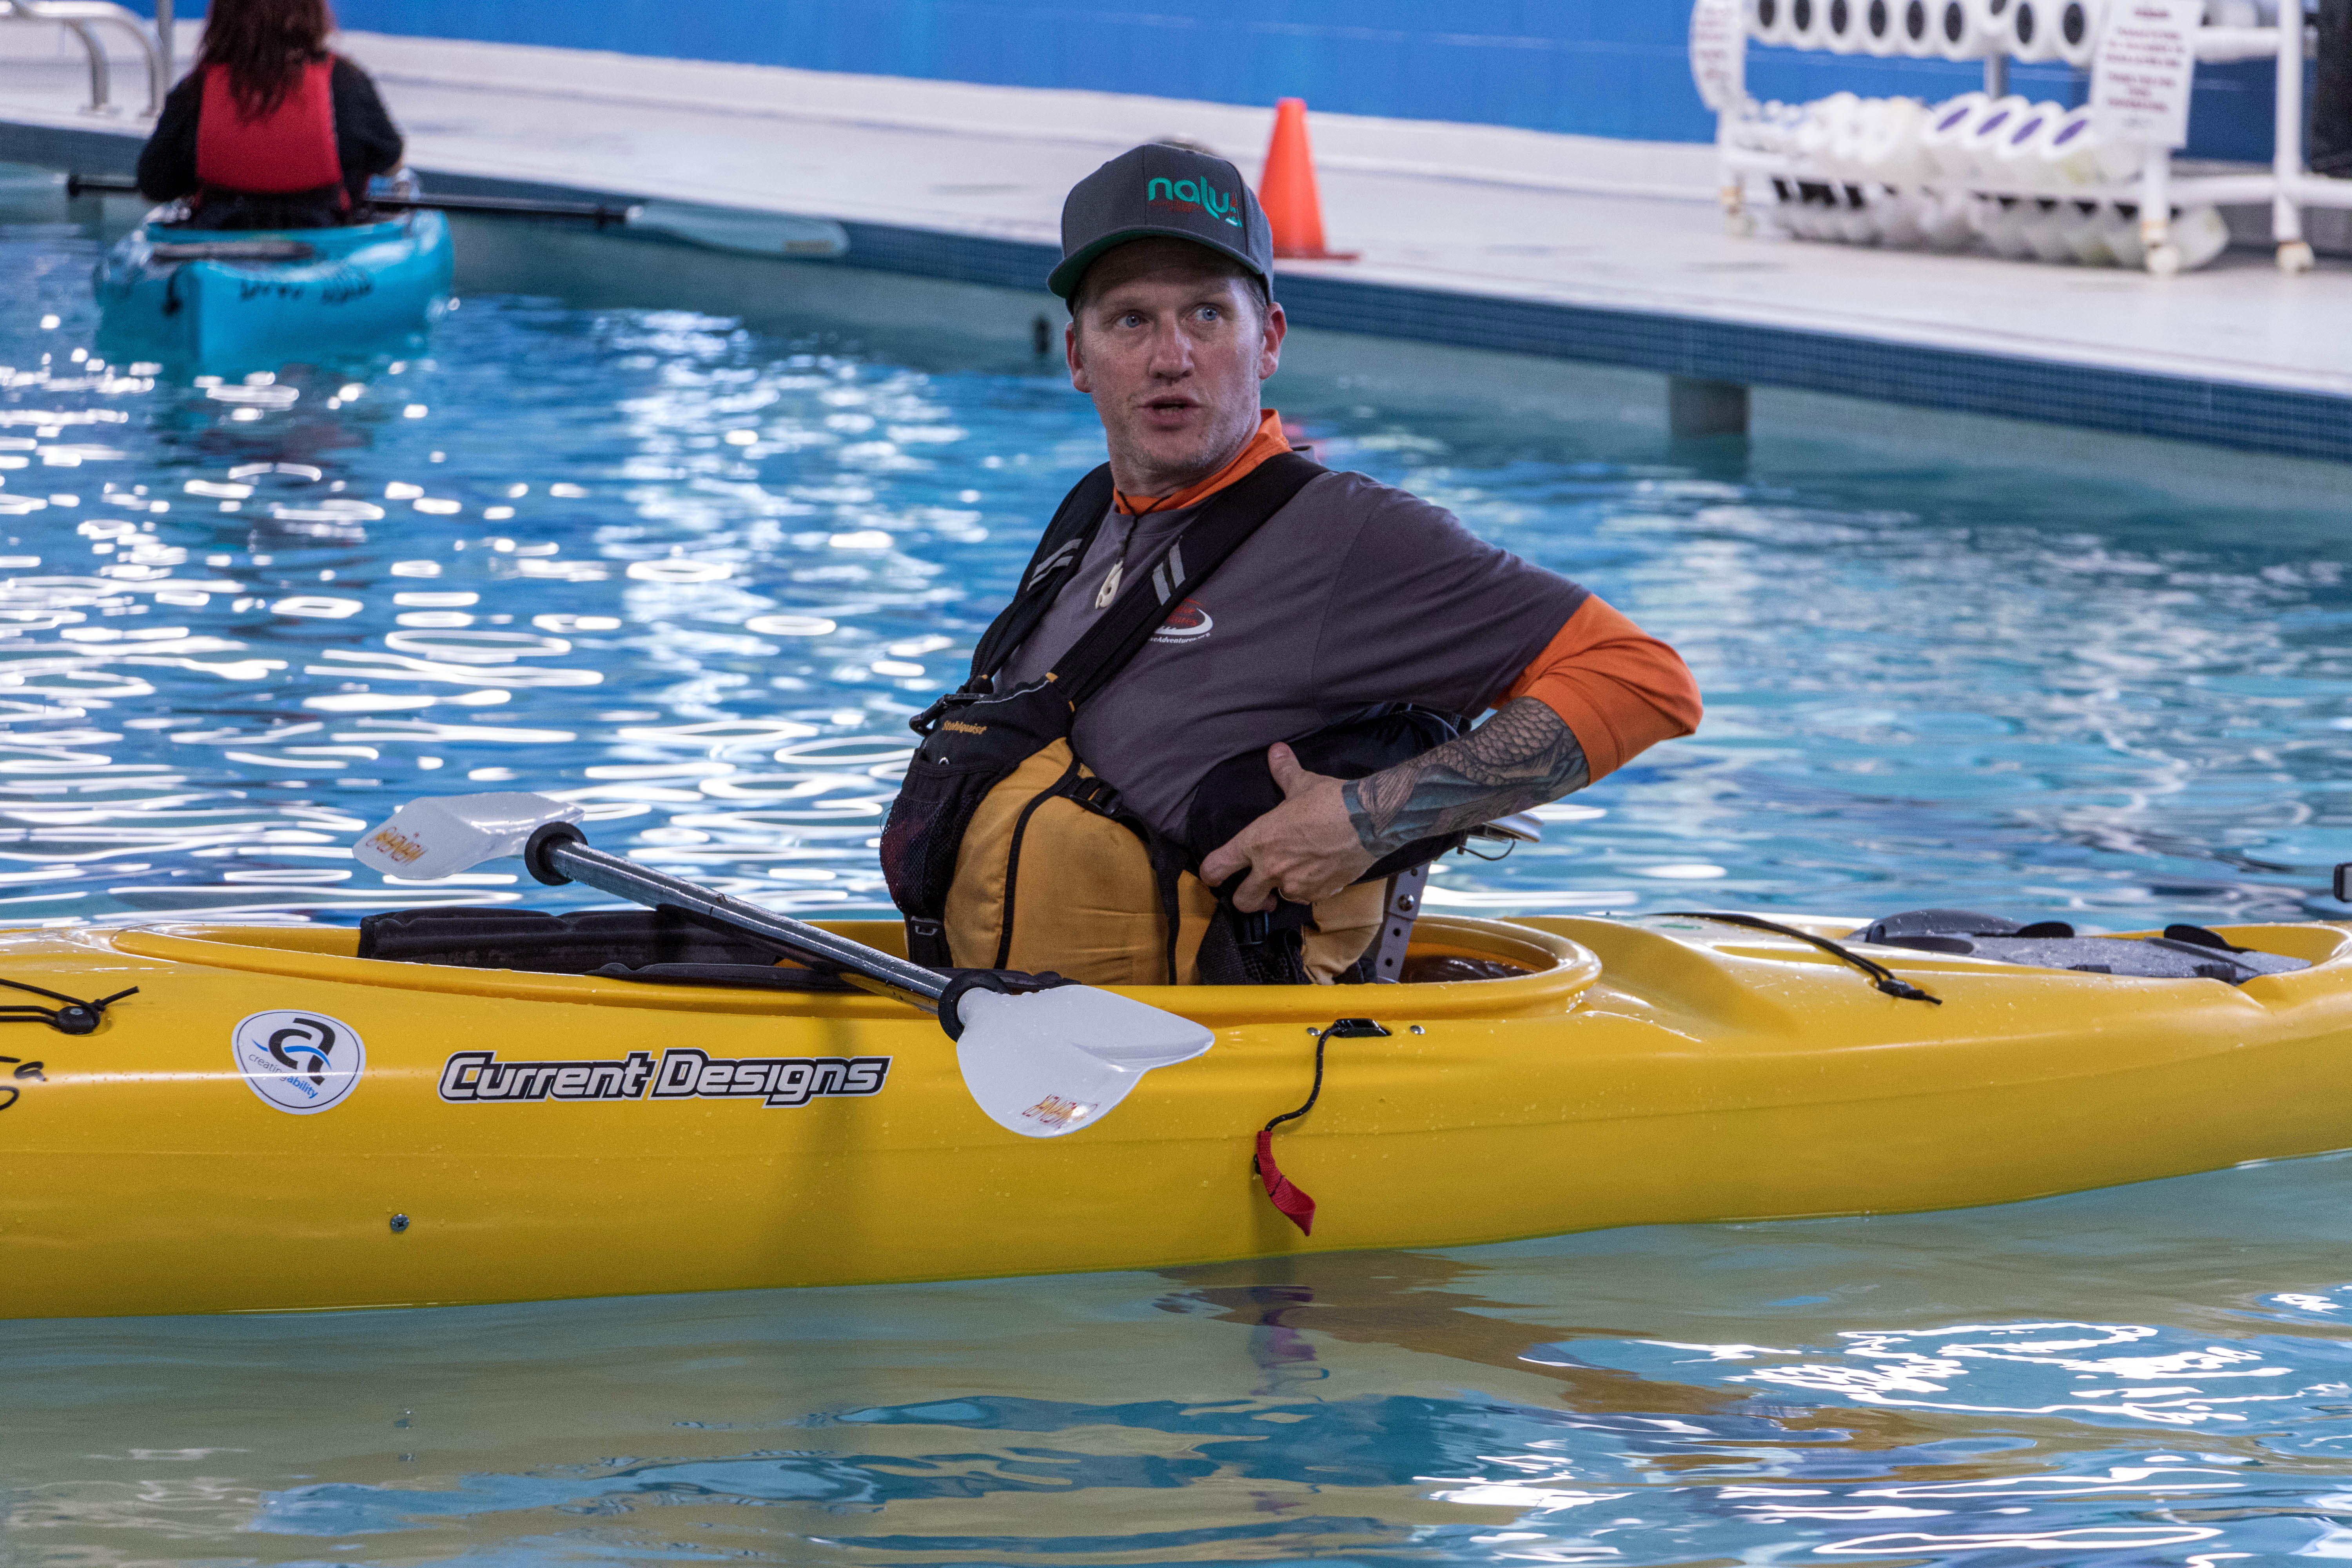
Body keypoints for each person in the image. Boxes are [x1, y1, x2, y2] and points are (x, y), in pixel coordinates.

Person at [882, 143, 1702, 987]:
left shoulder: (1345, 535)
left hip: (1204, 1047)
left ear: (1268, 340)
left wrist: (1367, 819)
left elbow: (1642, 680)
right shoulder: (1090, 515)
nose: (1171, 356)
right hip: (990, 1021)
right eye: (1131, 320)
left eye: (1208, 315)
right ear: (1078, 357)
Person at [136, 0, 403, 230]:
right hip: (326, 246)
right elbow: (391, 161)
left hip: (217, 247)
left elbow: (154, 186)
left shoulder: (195, 90)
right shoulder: (347, 82)